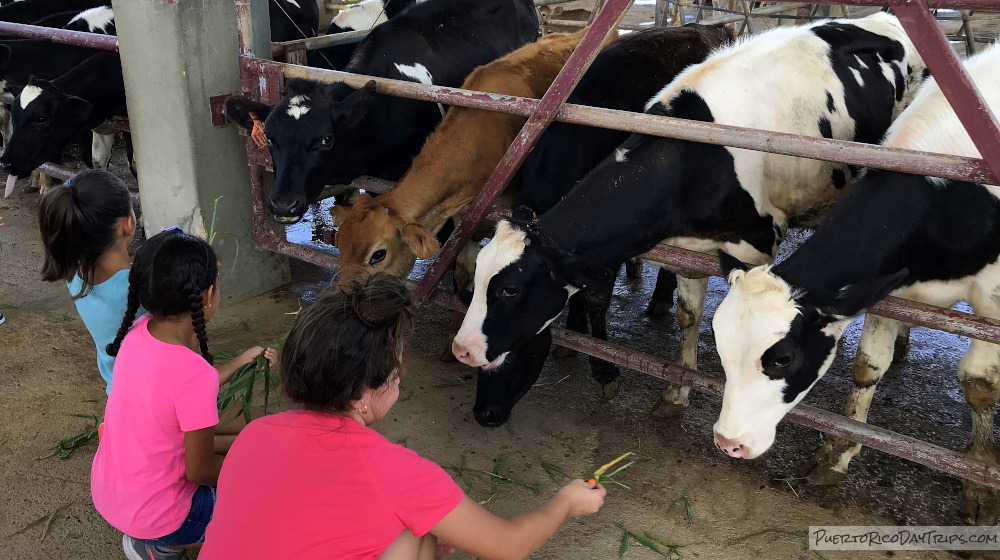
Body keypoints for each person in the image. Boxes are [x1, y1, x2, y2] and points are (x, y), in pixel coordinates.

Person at [200, 273, 607, 560]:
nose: (402, 375)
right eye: (395, 370)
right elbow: (510, 545)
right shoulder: (395, 471)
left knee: (419, 532)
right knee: (418, 532)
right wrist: (565, 503)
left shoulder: (255, 434)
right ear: (363, 394)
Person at [90, 228, 274, 560]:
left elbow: (183, 388)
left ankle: (151, 537)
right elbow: (199, 471)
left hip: (112, 494)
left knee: (252, 429)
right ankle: (163, 546)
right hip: (161, 517)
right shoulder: (194, 376)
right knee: (266, 490)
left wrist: (241, 360)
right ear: (206, 296)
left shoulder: (136, 335)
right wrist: (253, 468)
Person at [38, 170, 140, 394]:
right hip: (157, 402)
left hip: (118, 394)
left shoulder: (74, 275)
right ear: (127, 225)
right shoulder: (146, 288)